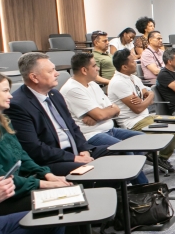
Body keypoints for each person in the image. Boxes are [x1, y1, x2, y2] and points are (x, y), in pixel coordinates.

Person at [0, 71, 70, 215]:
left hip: (18, 187)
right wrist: (42, 184)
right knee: (62, 199)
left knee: (69, 191)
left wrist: (46, 174)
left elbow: (21, 156)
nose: (10, 96)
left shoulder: (3, 122)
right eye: (5, 91)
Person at [6, 53, 111, 176]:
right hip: (52, 160)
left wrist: (84, 150)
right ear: (34, 77)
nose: (57, 74)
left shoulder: (55, 95)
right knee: (93, 170)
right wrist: (73, 158)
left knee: (119, 152)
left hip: (74, 152)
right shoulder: (18, 105)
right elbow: (34, 148)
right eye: (51, 71)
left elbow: (73, 127)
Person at [60, 53, 148, 184]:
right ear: (84, 70)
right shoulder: (72, 89)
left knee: (141, 139)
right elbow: (101, 114)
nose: (97, 68)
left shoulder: (92, 84)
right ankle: (142, 187)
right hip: (92, 134)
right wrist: (102, 114)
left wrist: (101, 114)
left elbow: (115, 109)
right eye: (94, 66)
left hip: (109, 128)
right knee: (125, 150)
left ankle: (127, 180)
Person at [107, 49, 175, 173]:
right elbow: (138, 109)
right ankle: (156, 157)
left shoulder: (133, 78)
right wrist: (148, 99)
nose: (136, 63)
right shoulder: (118, 83)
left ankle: (160, 158)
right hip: (133, 123)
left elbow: (149, 93)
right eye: (132, 62)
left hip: (146, 117)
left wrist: (147, 98)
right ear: (124, 66)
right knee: (170, 131)